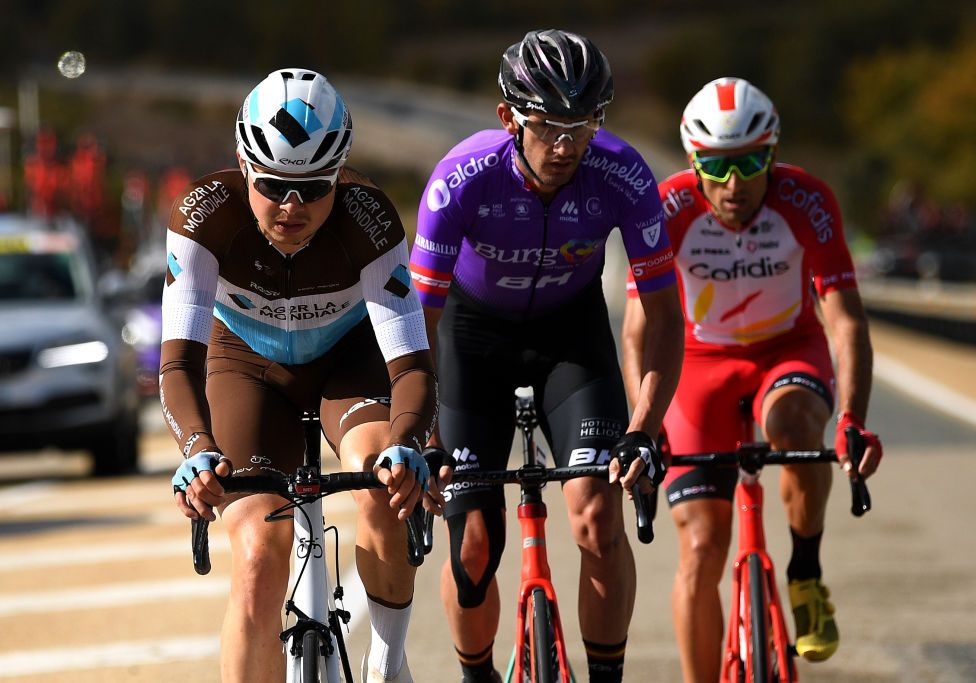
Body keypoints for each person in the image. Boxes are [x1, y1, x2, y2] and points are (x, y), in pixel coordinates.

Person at [410, 29, 684, 683]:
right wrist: (420, 431)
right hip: (473, 339)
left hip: (571, 334)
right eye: (547, 126)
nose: (565, 146)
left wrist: (645, 427)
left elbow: (666, 316)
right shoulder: (461, 179)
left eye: (582, 125)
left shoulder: (622, 173)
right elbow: (418, 319)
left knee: (596, 514)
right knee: (472, 545)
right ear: (508, 117)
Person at [161, 68, 440, 683]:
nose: (292, 207)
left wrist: (407, 441)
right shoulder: (203, 216)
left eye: (314, 188)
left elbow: (413, 364)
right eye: (274, 185)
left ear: (339, 174)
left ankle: (388, 661)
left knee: (381, 483)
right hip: (246, 367)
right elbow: (178, 362)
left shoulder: (369, 220)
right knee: (260, 556)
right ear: (242, 163)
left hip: (348, 361)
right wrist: (198, 448)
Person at [621, 77, 883, 682]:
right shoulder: (670, 208)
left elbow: (846, 322)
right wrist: (644, 424)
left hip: (786, 351)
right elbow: (637, 333)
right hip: (696, 365)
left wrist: (853, 420)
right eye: (716, 167)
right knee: (701, 551)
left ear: (774, 154)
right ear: (693, 161)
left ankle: (805, 574)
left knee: (794, 422)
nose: (733, 185)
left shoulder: (806, 199)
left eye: (750, 163)